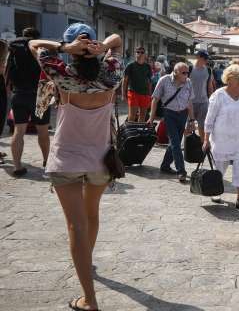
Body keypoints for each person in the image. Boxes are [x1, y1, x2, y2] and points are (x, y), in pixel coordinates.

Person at [29, 23, 123, 311]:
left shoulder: (60, 73)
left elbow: (34, 45)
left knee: (75, 224)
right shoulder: (111, 74)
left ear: (73, 51)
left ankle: (89, 299)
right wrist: (104, 47)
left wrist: (63, 47)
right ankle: (86, 261)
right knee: (91, 214)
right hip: (101, 158)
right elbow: (117, 40)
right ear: (94, 48)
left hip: (67, 158)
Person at [203, 64, 239, 210]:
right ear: (229, 79)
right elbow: (209, 119)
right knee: (220, 167)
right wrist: (206, 139)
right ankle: (216, 190)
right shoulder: (218, 95)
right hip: (222, 139)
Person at [7, 27, 50, 176]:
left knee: (19, 131)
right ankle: (47, 162)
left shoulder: (14, 49)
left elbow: (8, 71)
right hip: (40, 94)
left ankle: (17, 167)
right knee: (43, 131)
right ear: (38, 37)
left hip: (19, 93)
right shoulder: (41, 49)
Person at [147, 62, 196, 182]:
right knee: (175, 143)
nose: (186, 75)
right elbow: (155, 99)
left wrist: (192, 119)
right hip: (169, 114)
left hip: (183, 114)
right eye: (184, 73)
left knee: (176, 142)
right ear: (175, 72)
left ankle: (165, 165)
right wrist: (151, 117)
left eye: (188, 72)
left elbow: (189, 102)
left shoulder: (188, 82)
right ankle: (181, 171)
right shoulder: (164, 80)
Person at [122, 46, 152, 122]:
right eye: (138, 52)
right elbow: (125, 81)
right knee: (132, 116)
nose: (140, 54)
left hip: (145, 94)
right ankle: (130, 132)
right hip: (133, 93)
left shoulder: (148, 66)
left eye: (142, 52)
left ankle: (139, 132)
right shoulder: (130, 65)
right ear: (135, 54)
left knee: (143, 116)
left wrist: (150, 95)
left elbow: (149, 82)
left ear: (145, 54)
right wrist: (123, 95)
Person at [190, 50, 215, 139]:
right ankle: (187, 147)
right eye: (204, 58)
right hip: (190, 103)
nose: (206, 60)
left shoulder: (208, 70)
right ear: (198, 57)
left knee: (203, 126)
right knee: (189, 126)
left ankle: (203, 147)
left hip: (203, 102)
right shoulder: (189, 69)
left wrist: (212, 100)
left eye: (206, 58)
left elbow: (210, 86)